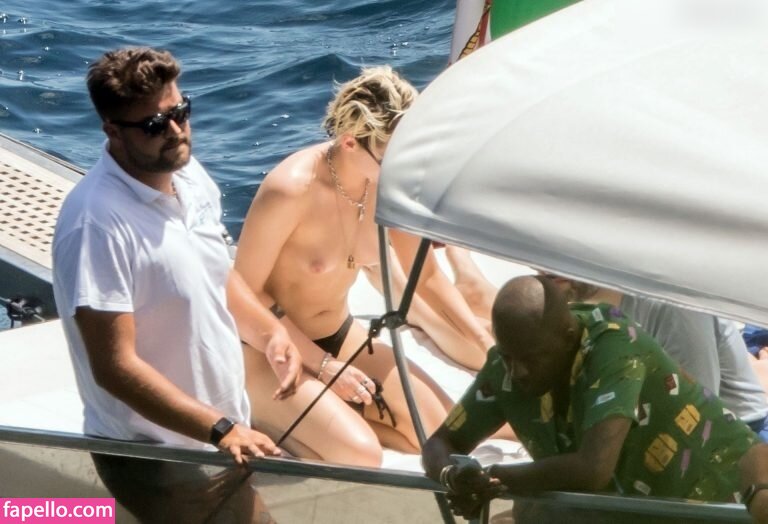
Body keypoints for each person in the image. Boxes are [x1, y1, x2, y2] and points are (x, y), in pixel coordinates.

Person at [52, 47, 302, 522]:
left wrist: (269, 332)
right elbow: (114, 367)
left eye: (180, 112)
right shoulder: (96, 223)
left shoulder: (187, 174)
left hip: (217, 440)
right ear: (112, 131)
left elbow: (214, 272)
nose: (175, 131)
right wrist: (221, 429)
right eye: (154, 124)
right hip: (157, 458)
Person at [234, 66, 495, 466]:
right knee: (360, 455)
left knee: (442, 435)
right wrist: (324, 367)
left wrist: (486, 347)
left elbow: (426, 278)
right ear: (350, 143)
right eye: (391, 157)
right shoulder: (292, 189)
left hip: (340, 334)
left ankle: (333, 416)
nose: (402, 167)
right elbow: (242, 294)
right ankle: (272, 415)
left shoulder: (390, 183)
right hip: (269, 350)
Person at [422, 275, 759, 519]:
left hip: (729, 499)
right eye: (507, 357)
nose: (517, 371)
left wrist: (496, 479)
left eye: (531, 359)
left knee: (532, 511)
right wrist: (455, 477)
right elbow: (440, 443)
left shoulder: (615, 344)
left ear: (569, 338)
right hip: (640, 509)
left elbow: (594, 468)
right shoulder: (509, 362)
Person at [548, 278, 768, 442]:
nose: (545, 269)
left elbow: (695, 412)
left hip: (737, 434)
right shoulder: (586, 312)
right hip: (664, 429)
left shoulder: (673, 303)